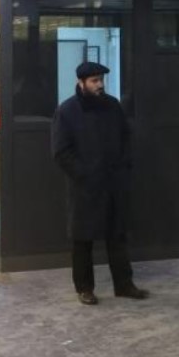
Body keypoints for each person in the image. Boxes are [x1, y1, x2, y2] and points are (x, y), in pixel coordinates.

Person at [51, 61, 149, 306]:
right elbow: (61, 152)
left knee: (117, 236)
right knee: (82, 240)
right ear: (81, 83)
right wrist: (85, 175)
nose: (100, 85)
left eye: (101, 80)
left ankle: (124, 285)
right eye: (94, 81)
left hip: (113, 184)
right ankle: (84, 288)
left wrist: (123, 167)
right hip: (84, 188)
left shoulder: (113, 106)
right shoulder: (67, 111)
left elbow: (126, 137)